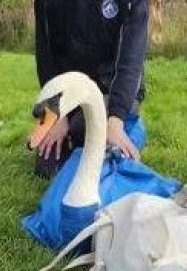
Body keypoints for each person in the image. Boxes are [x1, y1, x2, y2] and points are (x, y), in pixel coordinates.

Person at [33, 0, 149, 177]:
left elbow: (130, 62)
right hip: (71, 91)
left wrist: (115, 122)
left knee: (83, 129)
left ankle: (127, 125)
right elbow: (45, 57)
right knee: (46, 166)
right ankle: (71, 130)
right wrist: (56, 115)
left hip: (111, 89)